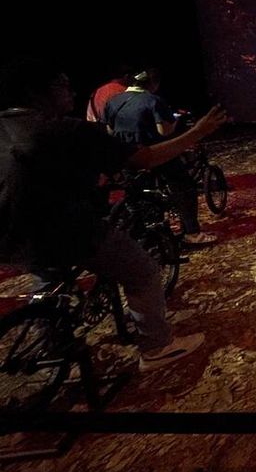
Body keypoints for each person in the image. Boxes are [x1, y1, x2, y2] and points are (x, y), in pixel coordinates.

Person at [0, 59, 228, 371]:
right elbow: (144, 158)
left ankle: (51, 344)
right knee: (143, 272)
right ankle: (157, 347)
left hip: (10, 235)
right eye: (63, 85)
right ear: (36, 92)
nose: (72, 92)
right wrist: (198, 132)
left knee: (48, 281)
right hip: (65, 229)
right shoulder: (65, 129)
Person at [104, 69, 216, 246]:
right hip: (154, 154)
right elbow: (164, 131)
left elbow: (110, 131)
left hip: (126, 155)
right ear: (154, 83)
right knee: (184, 186)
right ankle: (192, 233)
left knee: (136, 195)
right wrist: (176, 122)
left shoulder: (113, 101)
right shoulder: (152, 100)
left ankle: (142, 235)